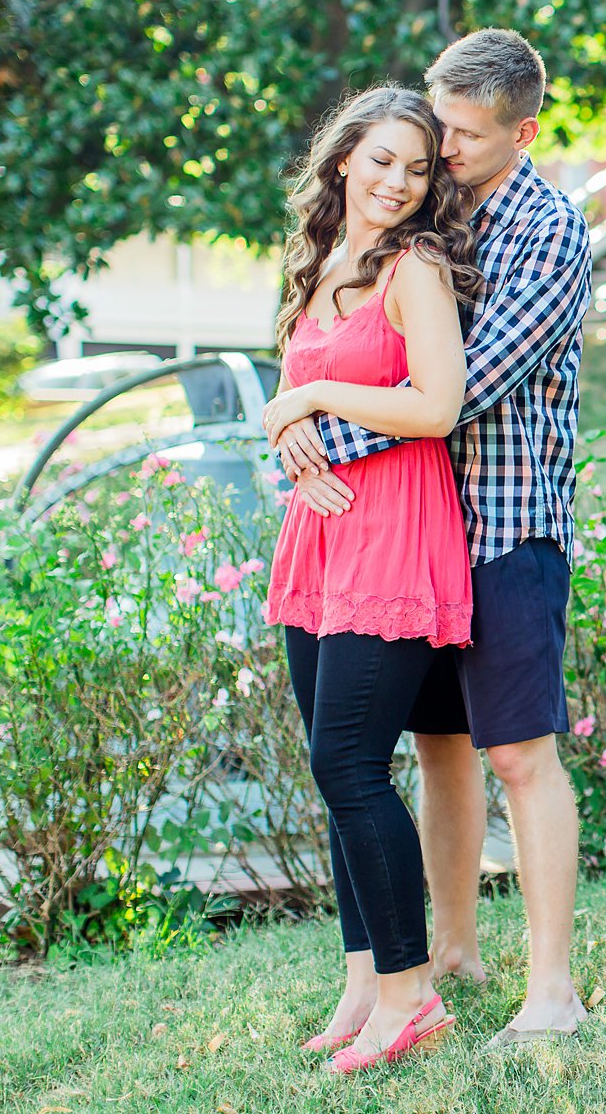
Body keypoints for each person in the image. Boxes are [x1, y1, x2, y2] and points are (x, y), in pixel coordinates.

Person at [272, 29, 595, 1046]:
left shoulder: (546, 230)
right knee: (436, 748)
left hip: (502, 525)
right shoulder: (427, 200)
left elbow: (455, 392)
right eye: (432, 124)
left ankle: (552, 990)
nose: (437, 151)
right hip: (405, 533)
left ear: (521, 131)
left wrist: (311, 424)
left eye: (460, 135)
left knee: (518, 753)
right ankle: (446, 949)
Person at [258, 84, 484, 1073]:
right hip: (317, 537)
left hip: (392, 528)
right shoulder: (318, 263)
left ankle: (411, 991)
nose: (397, 181)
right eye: (381, 159)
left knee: (349, 762)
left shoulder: (414, 266)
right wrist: (290, 421)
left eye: (418, 166)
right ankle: (363, 981)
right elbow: (283, 398)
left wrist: (307, 393)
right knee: (331, 763)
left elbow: (435, 404)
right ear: (343, 158)